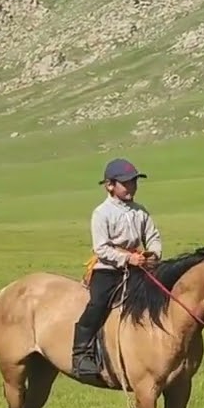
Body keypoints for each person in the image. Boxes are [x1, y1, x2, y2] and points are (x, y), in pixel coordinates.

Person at [72, 157, 162, 380]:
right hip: (108, 269)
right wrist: (127, 259)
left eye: (134, 182)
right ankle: (81, 353)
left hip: (139, 268)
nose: (132, 186)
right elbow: (101, 248)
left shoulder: (140, 211)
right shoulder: (101, 213)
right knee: (98, 303)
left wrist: (153, 254)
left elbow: (153, 236)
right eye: (127, 183)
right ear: (109, 185)